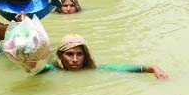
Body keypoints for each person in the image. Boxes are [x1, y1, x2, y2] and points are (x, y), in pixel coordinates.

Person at [39, 34, 168, 79]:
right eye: (69, 54)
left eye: (79, 54)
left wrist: (151, 68)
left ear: (86, 56)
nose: (75, 59)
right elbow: (32, 66)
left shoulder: (91, 69)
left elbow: (118, 68)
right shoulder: (51, 69)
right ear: (61, 56)